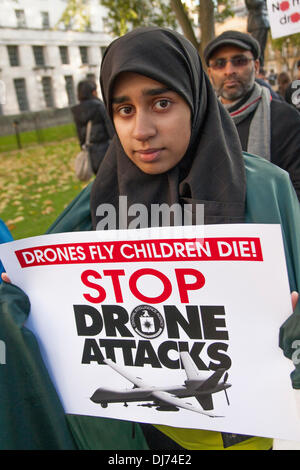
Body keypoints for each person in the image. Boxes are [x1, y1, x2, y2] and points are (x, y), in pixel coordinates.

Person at [1, 27, 300, 451]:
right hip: (136, 433)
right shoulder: (98, 199)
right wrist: (29, 292)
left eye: (161, 103)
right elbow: (48, 295)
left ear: (194, 99)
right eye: (124, 109)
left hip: (242, 432)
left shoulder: (266, 187)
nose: (141, 129)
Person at [204, 30, 300, 201]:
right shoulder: (201, 124)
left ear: (255, 66)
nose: (229, 70)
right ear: (210, 73)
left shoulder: (286, 119)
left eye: (239, 61)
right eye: (220, 63)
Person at [71, 79, 114, 175]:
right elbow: (111, 129)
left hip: (90, 151)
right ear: (93, 92)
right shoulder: (99, 106)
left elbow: (79, 133)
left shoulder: (76, 110)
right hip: (105, 149)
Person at [245, 0, 270, 66]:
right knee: (257, 48)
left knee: (261, 47)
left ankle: (260, 66)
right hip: (257, 23)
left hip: (263, 22)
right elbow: (252, 3)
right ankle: (259, 67)